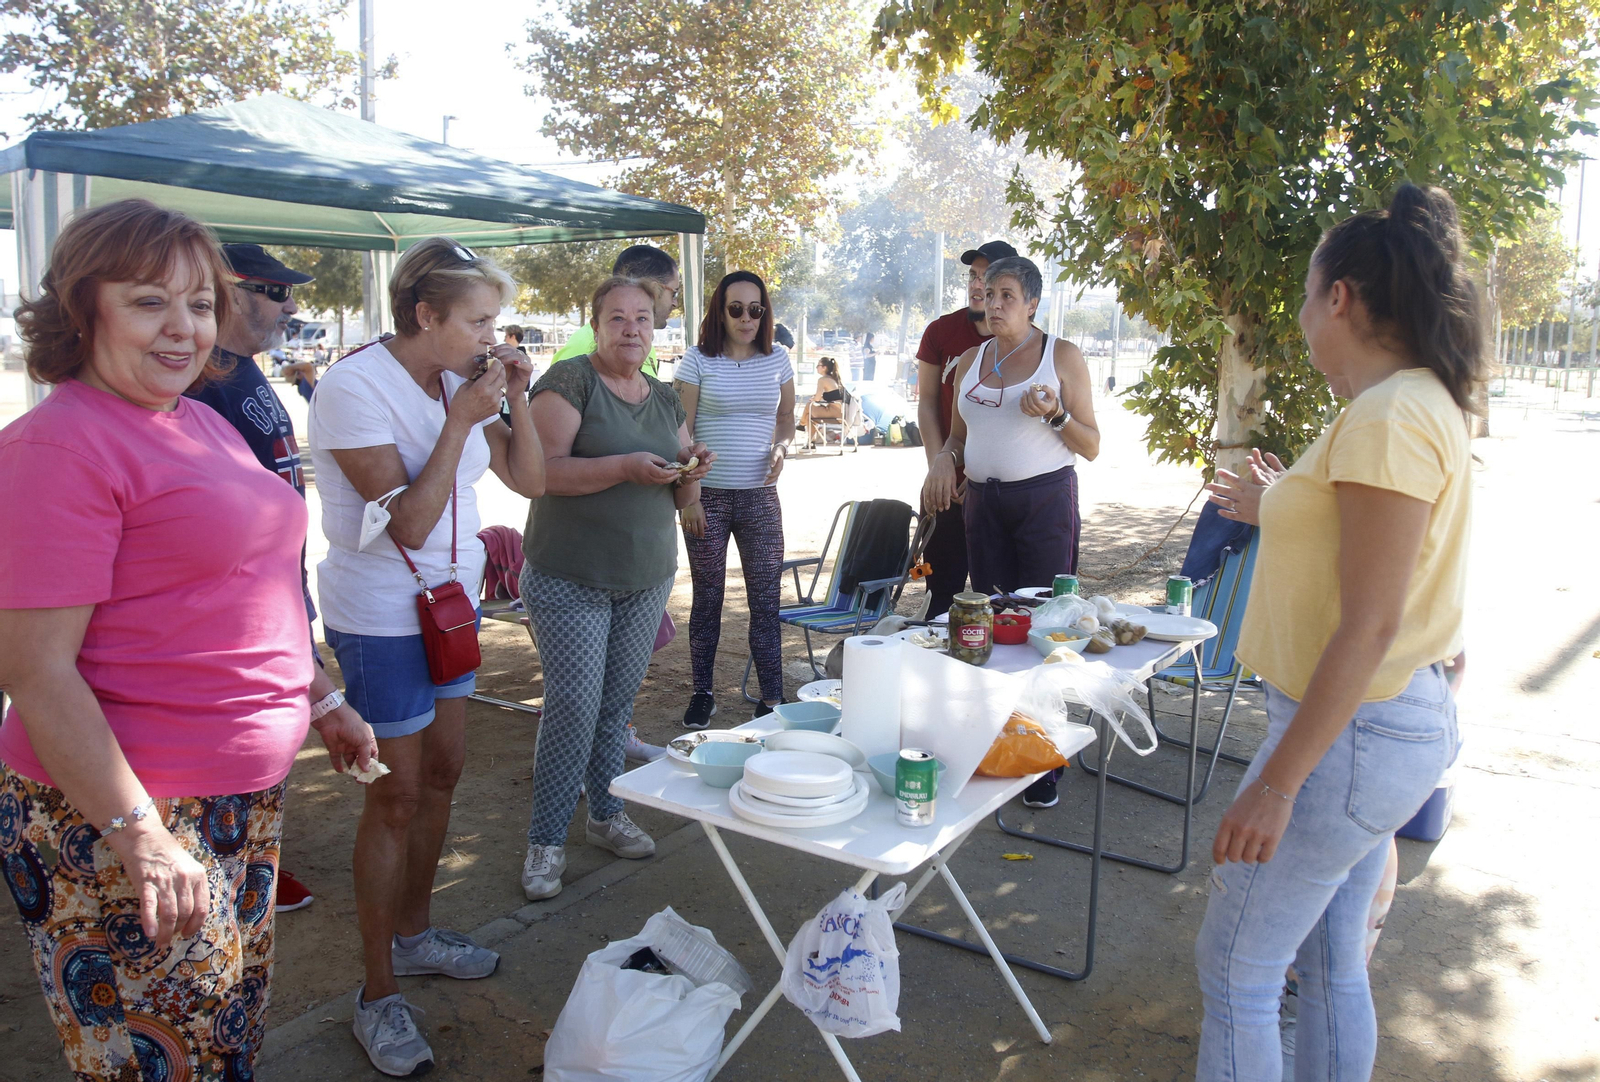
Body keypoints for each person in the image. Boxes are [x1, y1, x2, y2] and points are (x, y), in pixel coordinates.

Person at [0, 198, 372, 1080]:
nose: (183, 328)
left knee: (226, 1044)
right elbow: (36, 672)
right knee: (156, 1062)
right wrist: (142, 836)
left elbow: (255, 583)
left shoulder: (197, 418)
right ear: (81, 308)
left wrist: (321, 697)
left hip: (237, 801)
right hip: (124, 814)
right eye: (147, 302)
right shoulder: (58, 447)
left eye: (200, 303)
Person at [1192, 183, 1478, 1081]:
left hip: (1352, 734)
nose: (1307, 315)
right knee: (1326, 962)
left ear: (1341, 298)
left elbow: (1371, 622)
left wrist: (1276, 786)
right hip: (1377, 729)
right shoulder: (1404, 405)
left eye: (1309, 297)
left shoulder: (1392, 417)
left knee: (1236, 968)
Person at [309, 238, 545, 1076]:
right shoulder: (352, 387)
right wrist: (459, 420)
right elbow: (406, 523)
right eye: (477, 320)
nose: (491, 335)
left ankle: (414, 936)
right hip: (379, 615)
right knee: (396, 798)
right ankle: (378, 993)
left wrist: (516, 400)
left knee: (443, 772)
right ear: (426, 315)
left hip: (451, 606)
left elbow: (533, 482)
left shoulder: (463, 380)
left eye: (495, 321)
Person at [187, 242, 378, 915]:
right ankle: (231, 870)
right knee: (227, 746)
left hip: (276, 592)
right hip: (228, 615)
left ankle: (250, 859)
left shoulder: (241, 371)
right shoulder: (195, 384)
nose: (290, 304)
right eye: (274, 290)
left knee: (274, 732)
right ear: (228, 292)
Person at [519, 276, 713, 901]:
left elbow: (682, 491)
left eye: (642, 319)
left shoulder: (662, 395)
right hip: (569, 575)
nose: (632, 328)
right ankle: (545, 842)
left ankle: (604, 812)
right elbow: (542, 474)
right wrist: (625, 467)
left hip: (645, 577)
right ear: (596, 324)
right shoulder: (568, 380)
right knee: (573, 707)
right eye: (617, 318)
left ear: (655, 328)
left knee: (614, 706)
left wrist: (693, 474)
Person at [922, 255, 1099, 810]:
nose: (992, 303)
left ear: (1032, 305)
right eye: (985, 293)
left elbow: (1092, 444)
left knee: (1045, 627)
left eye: (1005, 295)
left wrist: (1053, 416)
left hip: (1044, 502)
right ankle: (1000, 740)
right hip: (984, 505)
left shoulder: (1061, 356)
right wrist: (943, 463)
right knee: (994, 626)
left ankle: (1044, 760)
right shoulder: (972, 358)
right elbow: (956, 437)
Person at [675, 271, 796, 727]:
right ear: (719, 312)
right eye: (736, 308)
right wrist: (688, 495)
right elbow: (679, 430)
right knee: (707, 599)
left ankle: (771, 699)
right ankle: (702, 693)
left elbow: (785, 419)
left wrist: (782, 447)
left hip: (761, 498)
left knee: (766, 600)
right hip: (709, 496)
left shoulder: (779, 359)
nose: (747, 318)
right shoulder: (697, 360)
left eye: (756, 309)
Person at [914, 239, 1013, 616]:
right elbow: (925, 403)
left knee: (1001, 596)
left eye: (986, 277)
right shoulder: (941, 332)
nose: (976, 285)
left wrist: (974, 473)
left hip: (995, 486)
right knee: (938, 588)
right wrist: (937, 466)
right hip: (945, 485)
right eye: (973, 276)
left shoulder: (1022, 341)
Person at [551, 245, 682, 378]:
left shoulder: (638, 344)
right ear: (656, 289)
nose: (675, 303)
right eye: (674, 293)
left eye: (641, 319)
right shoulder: (585, 349)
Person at [799, 356, 846, 445]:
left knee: (809, 405)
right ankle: (810, 442)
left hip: (834, 413)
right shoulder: (834, 379)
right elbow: (831, 396)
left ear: (824, 368)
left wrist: (814, 398)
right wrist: (819, 398)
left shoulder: (822, 380)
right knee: (809, 416)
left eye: (818, 365)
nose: (817, 367)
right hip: (841, 413)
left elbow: (816, 399)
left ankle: (801, 424)